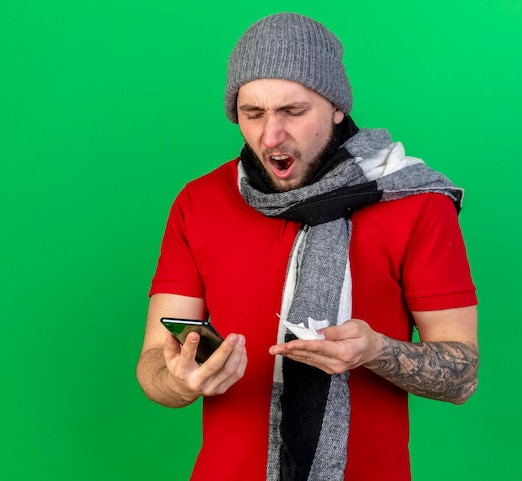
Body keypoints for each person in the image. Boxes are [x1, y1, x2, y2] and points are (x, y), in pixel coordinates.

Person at [136, 12, 478, 481]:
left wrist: (374, 350)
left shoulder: (415, 203)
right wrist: (178, 381)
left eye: (293, 112)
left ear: (337, 107)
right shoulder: (200, 202)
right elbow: (154, 360)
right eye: (252, 113)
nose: (270, 136)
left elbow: (463, 376)